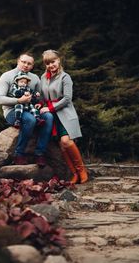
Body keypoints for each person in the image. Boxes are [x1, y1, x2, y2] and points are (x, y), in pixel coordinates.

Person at [39, 49, 88, 184]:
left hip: (64, 113)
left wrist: (49, 107)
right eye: (48, 63)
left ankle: (82, 170)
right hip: (51, 116)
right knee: (61, 145)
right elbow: (43, 96)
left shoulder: (65, 77)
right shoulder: (43, 78)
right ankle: (74, 174)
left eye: (53, 61)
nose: (51, 65)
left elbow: (67, 98)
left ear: (58, 60)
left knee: (66, 141)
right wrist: (40, 104)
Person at [0, 52, 53, 166]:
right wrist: (19, 100)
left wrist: (39, 104)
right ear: (18, 61)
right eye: (23, 62)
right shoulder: (6, 76)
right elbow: (0, 99)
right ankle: (19, 154)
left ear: (32, 66)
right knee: (30, 120)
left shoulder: (35, 78)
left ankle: (39, 154)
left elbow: (39, 97)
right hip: (12, 111)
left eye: (29, 63)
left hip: (31, 108)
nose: (26, 65)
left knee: (48, 117)